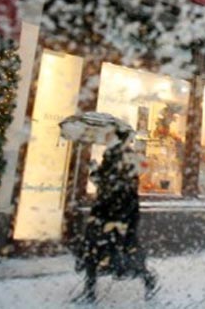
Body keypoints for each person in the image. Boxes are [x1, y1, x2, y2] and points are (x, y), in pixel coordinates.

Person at [73, 125, 158, 304]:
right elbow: (107, 183)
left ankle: (146, 278)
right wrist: (96, 170)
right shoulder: (118, 155)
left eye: (110, 135)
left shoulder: (121, 156)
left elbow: (114, 185)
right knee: (96, 249)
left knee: (116, 250)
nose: (106, 137)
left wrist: (96, 171)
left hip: (116, 213)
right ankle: (90, 291)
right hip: (112, 211)